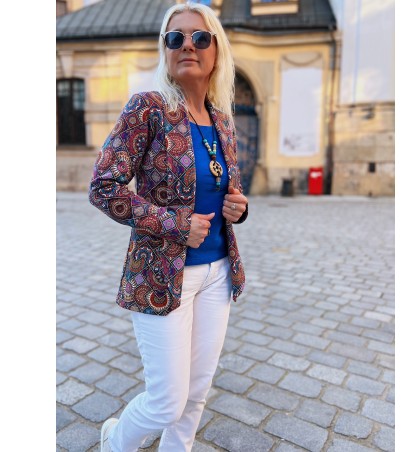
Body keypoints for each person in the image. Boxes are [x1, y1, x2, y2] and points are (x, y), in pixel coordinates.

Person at [88, 2, 248, 451]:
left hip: (218, 273)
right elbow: (103, 186)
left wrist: (238, 207)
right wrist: (176, 223)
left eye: (200, 37)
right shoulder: (149, 108)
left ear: (216, 50)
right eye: (175, 38)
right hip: (160, 274)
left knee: (196, 393)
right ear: (165, 49)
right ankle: (114, 442)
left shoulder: (222, 120)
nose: (187, 45)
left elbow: (227, 189)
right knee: (165, 402)